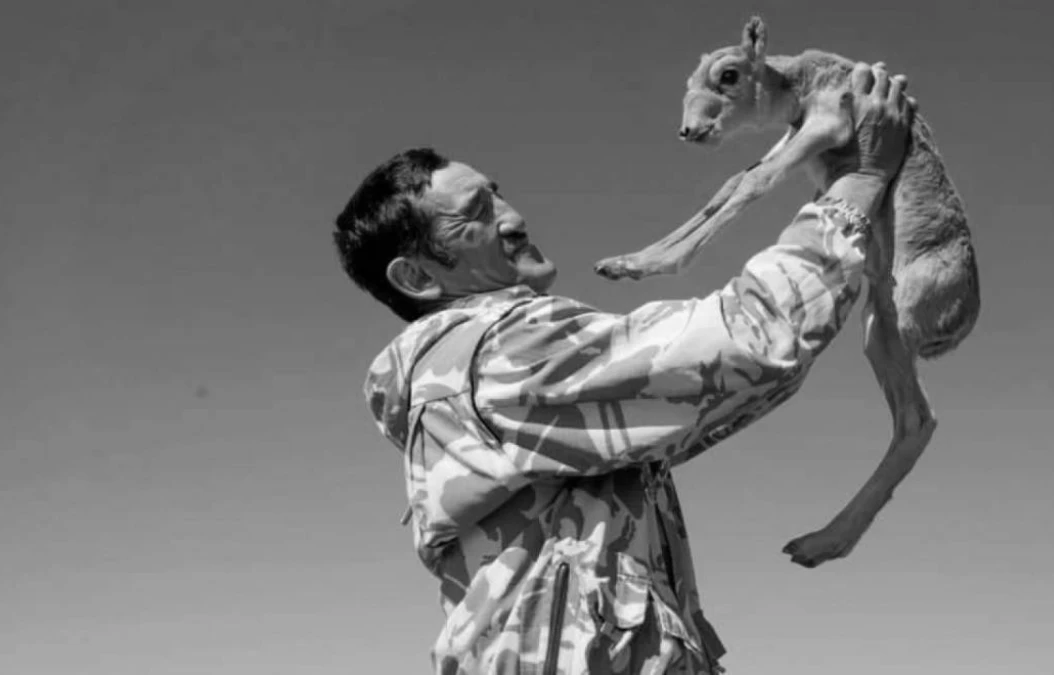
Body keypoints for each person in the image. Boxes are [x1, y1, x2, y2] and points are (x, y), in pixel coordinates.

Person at [332, 62, 914, 674]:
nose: (512, 216)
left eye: (496, 193)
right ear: (418, 276)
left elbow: (719, 396)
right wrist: (857, 181)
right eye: (475, 213)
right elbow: (745, 344)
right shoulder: (499, 352)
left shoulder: (473, 381)